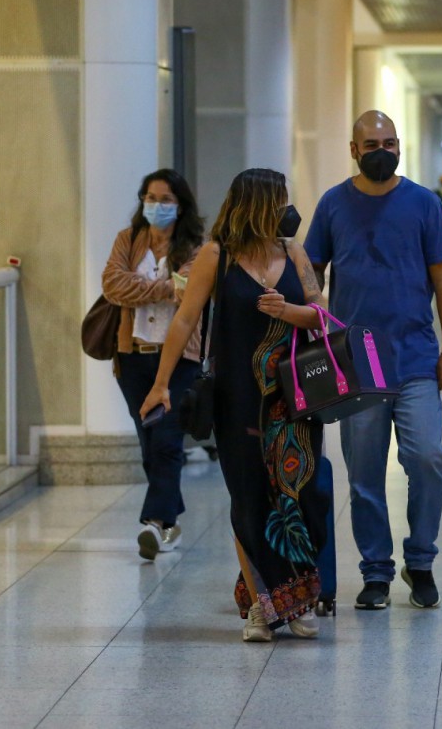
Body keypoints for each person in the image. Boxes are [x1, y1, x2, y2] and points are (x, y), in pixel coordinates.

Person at [140, 168, 328, 642]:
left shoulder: (294, 252)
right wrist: (161, 383)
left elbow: (322, 314)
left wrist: (291, 313)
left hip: (294, 399)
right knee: (250, 501)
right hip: (238, 399)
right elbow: (183, 322)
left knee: (301, 497)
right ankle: (262, 608)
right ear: (257, 205)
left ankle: (298, 598)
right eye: (280, 199)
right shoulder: (216, 257)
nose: (288, 207)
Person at [305, 110, 442, 611]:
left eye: (390, 142)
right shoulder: (333, 204)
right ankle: (375, 572)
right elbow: (311, 277)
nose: (381, 150)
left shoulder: (423, 203)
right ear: (353, 149)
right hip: (356, 364)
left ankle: (420, 561)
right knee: (365, 474)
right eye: (370, 143)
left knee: (427, 459)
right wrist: (317, 335)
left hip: (415, 357)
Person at [101, 169, 204, 561]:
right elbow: (113, 285)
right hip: (133, 356)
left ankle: (155, 523)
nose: (155, 205)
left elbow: (192, 292)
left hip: (179, 360)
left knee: (165, 440)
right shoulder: (128, 240)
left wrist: (144, 289)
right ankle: (170, 520)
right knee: (149, 443)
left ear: (180, 205)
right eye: (150, 197)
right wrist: (166, 288)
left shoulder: (197, 246)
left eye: (164, 199)